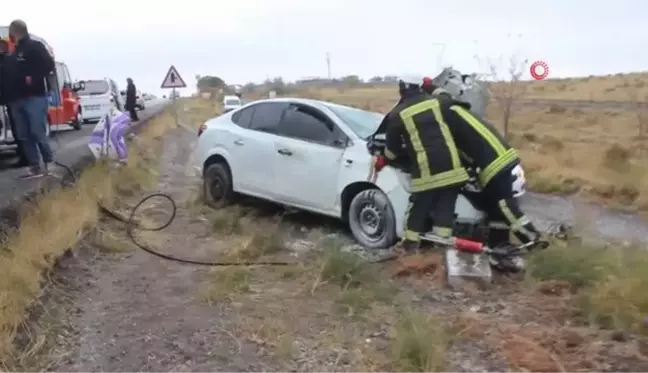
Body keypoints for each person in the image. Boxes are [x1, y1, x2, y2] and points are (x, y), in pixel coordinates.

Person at [424, 80, 543, 248]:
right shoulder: (451, 104)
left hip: (494, 164)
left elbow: (454, 152)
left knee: (504, 207)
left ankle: (534, 242)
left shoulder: (441, 118)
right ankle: (499, 244)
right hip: (503, 155)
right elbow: (442, 93)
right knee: (494, 209)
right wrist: (430, 85)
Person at [374, 76, 470, 253]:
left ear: (402, 87)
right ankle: (441, 247)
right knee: (445, 209)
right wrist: (432, 87)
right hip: (453, 169)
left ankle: (410, 246)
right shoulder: (438, 102)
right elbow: (449, 98)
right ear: (420, 87)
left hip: (427, 173)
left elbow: (392, 151)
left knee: (419, 208)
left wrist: (383, 158)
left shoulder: (398, 114)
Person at [6, 20, 55, 179]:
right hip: (16, 99)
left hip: (34, 97)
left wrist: (33, 77)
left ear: (14, 32)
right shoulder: (13, 52)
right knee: (23, 134)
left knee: (36, 130)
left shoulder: (34, 46)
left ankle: (49, 162)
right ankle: (34, 166)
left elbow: (49, 64)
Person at [0, 39, 28, 168]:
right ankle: (25, 156)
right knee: (19, 129)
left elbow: (6, 81)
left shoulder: (7, 62)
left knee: (19, 129)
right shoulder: (10, 60)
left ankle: (26, 157)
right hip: (12, 99)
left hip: (12, 99)